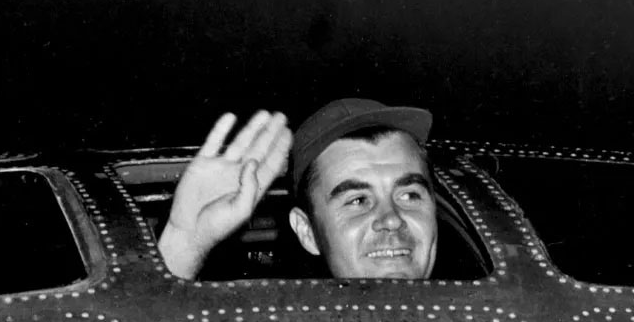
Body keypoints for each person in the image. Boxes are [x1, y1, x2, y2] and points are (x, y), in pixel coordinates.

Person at [157, 98, 437, 281]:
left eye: (410, 195)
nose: (391, 219)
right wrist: (186, 241)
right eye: (358, 200)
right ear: (307, 232)